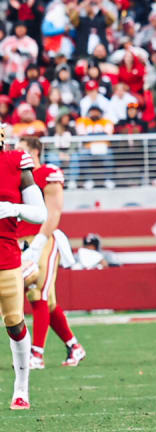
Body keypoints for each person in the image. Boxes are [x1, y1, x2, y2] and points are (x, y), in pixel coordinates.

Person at [15, 137, 85, 369]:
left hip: (41, 239)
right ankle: (74, 346)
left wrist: (37, 246)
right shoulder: (14, 175)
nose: (16, 152)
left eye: (22, 148)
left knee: (38, 296)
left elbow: (54, 213)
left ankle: (36, 355)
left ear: (35, 151)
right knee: (48, 302)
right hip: (17, 242)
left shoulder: (47, 173)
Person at [0, 139, 46, 410]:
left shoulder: (16, 162)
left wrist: (15, 209)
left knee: (15, 323)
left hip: (6, 258)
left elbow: (41, 213)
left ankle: (21, 388)